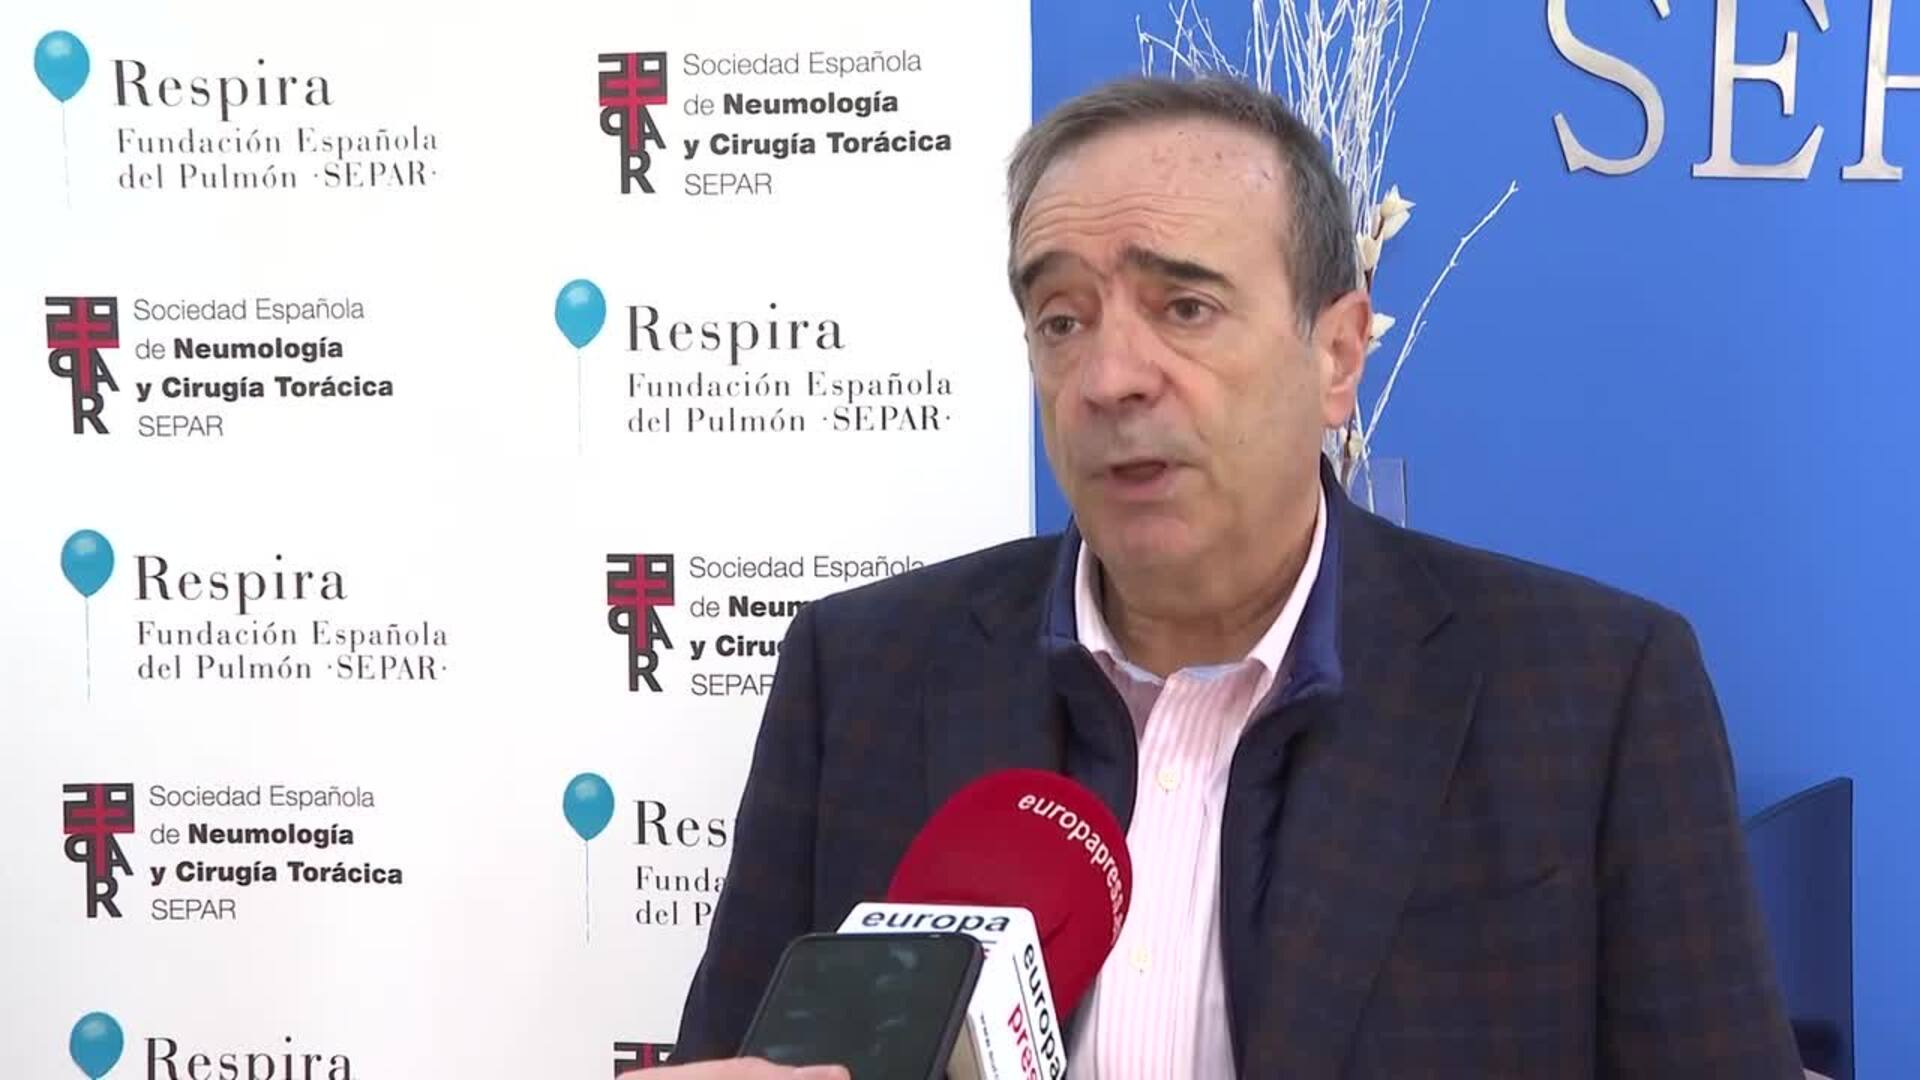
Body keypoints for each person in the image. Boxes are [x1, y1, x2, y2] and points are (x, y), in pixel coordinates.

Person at [668, 75, 1805, 1078]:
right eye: (1060, 319)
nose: (1109, 377)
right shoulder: (859, 675)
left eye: (1186, 308)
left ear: (1338, 354)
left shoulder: (1593, 694)